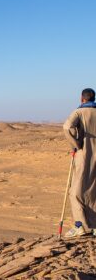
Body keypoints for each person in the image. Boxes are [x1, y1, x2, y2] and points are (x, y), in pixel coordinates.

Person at [63, 88, 96, 238]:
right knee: (93, 190)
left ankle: (79, 225)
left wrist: (77, 145)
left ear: (82, 99)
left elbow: (67, 127)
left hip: (84, 154)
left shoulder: (79, 112)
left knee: (75, 192)